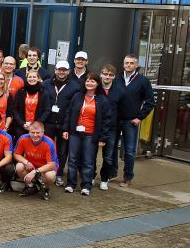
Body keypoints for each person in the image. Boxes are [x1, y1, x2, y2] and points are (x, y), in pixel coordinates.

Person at [62, 74, 113, 196]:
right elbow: (69, 113)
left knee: (88, 161)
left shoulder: (102, 100)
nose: (89, 83)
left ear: (97, 84)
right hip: (75, 133)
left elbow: (107, 120)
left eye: (92, 81)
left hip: (91, 135)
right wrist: (66, 129)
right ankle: (71, 184)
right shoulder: (77, 96)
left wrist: (103, 137)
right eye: (88, 81)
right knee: (72, 160)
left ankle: (86, 186)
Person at [117, 54, 155, 187]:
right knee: (111, 148)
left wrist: (139, 117)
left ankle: (127, 177)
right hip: (115, 120)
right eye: (126, 63)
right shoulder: (117, 79)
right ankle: (111, 173)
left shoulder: (143, 81)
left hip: (130, 121)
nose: (128, 65)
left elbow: (150, 102)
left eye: (131, 63)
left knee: (129, 151)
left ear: (136, 65)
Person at [43, 61, 80, 186]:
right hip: (48, 123)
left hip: (64, 124)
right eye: (59, 69)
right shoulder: (46, 84)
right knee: (46, 148)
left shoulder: (75, 87)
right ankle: (45, 172)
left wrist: (68, 126)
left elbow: (73, 108)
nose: (61, 72)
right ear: (55, 70)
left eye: (64, 70)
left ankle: (59, 174)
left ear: (68, 71)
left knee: (62, 150)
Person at [14, 121, 58, 200]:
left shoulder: (49, 143)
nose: (35, 135)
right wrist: (26, 162)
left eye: (38, 133)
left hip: (45, 167)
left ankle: (45, 188)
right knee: (19, 166)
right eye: (32, 132)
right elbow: (16, 154)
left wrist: (35, 171)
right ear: (29, 131)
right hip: (31, 165)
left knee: (50, 176)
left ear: (43, 132)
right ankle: (31, 186)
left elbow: (51, 165)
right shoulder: (23, 138)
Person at [98, 64, 125, 190]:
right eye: (105, 74)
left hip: (112, 129)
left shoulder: (119, 91)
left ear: (114, 77)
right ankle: (90, 176)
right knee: (91, 154)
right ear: (101, 74)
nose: (107, 77)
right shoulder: (95, 88)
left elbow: (122, 110)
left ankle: (104, 179)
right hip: (95, 127)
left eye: (110, 75)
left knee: (108, 156)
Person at [10, 69, 50, 140]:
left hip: (37, 127)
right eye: (30, 77)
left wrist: (37, 123)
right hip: (22, 127)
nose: (32, 79)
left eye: (34, 77)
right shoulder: (20, 92)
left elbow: (46, 110)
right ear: (26, 78)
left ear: (38, 79)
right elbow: (15, 109)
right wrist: (22, 123)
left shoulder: (44, 92)